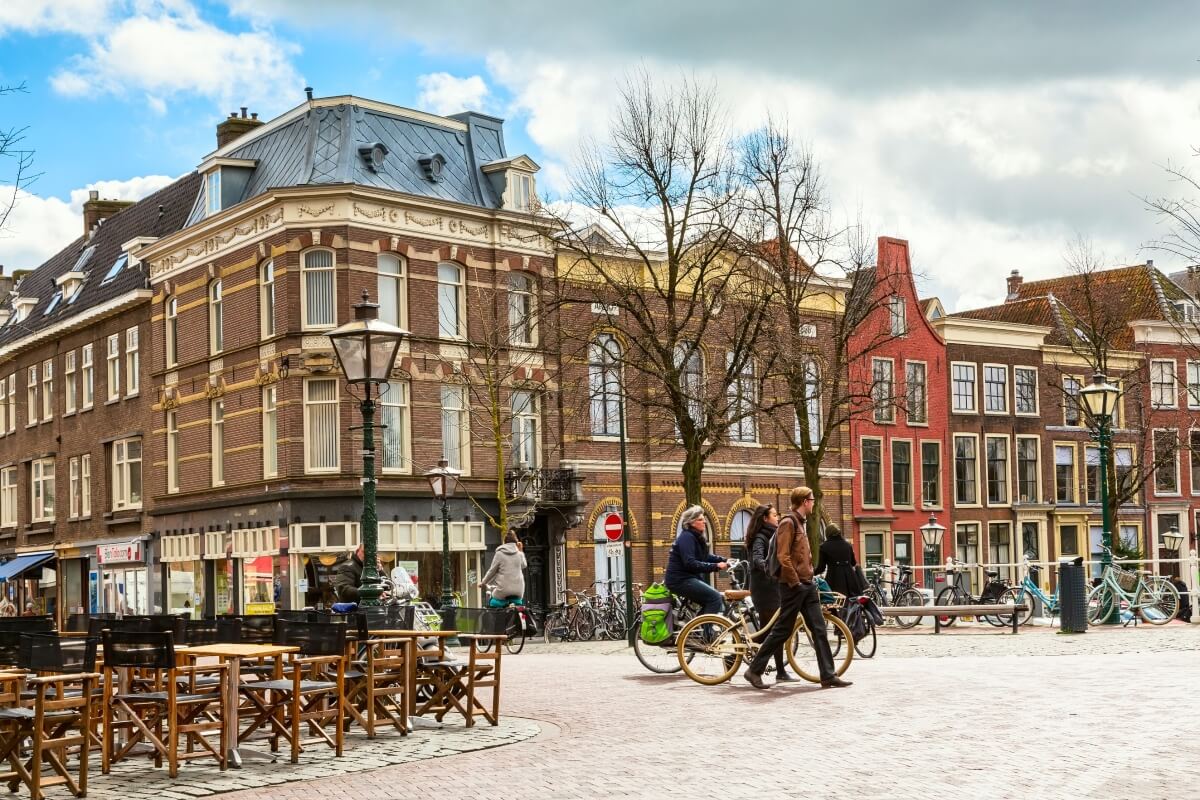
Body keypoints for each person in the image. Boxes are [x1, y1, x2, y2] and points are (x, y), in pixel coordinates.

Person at [744, 486, 851, 690]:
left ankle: (828, 674)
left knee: (819, 629)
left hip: (806, 585)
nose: (813, 503)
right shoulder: (788, 523)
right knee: (782, 631)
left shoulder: (800, 523)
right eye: (812, 499)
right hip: (794, 587)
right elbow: (782, 556)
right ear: (804, 502)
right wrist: (795, 582)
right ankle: (754, 670)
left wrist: (807, 579)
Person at [746, 504, 795, 681]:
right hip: (764, 590)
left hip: (771, 588)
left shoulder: (771, 535)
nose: (778, 517)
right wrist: (768, 568)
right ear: (765, 518)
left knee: (769, 632)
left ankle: (779, 671)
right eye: (774, 515)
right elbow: (758, 558)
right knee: (773, 631)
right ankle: (778, 672)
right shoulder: (760, 537)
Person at [664, 506, 729, 619]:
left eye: (703, 519)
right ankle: (708, 635)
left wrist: (724, 560)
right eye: (700, 519)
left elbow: (704, 556)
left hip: (687, 578)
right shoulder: (687, 538)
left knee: (711, 601)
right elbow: (690, 563)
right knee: (715, 597)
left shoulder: (695, 537)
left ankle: (697, 629)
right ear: (691, 522)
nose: (704, 521)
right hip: (680, 580)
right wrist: (716, 566)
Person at [815, 523, 866, 599]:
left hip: (834, 578)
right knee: (852, 602)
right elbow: (853, 563)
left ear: (827, 534)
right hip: (850, 579)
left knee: (833, 601)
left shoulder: (824, 547)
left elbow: (821, 568)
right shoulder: (848, 544)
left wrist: (811, 573)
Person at [480, 532, 527, 606]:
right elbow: (524, 565)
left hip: (503, 590)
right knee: (518, 605)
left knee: (492, 601)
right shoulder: (519, 553)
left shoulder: (499, 554)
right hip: (519, 590)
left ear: (504, 542)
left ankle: (497, 617)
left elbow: (492, 571)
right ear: (516, 542)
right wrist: (521, 551)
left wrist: (483, 583)